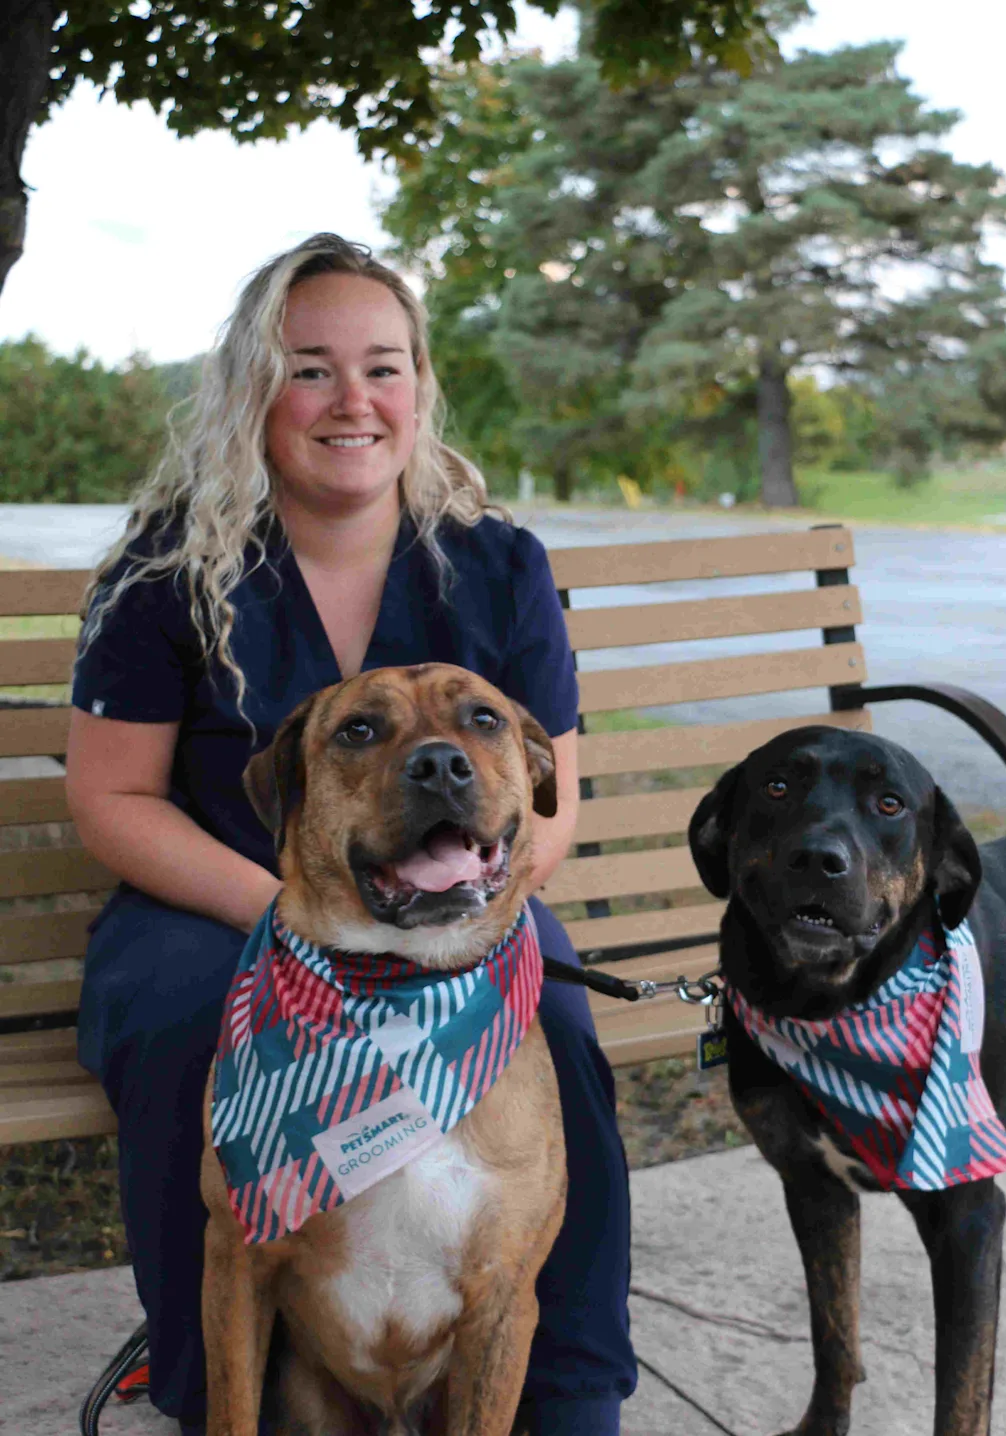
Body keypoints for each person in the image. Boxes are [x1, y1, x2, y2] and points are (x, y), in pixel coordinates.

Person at [66, 233, 636, 1436]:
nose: (351, 400)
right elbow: (114, 799)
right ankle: (222, 1390)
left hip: (459, 904)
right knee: (192, 1023)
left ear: (420, 385)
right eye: (310, 367)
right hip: (217, 900)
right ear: (254, 389)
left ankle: (567, 1388)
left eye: (382, 366)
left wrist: (464, 907)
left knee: (563, 1024)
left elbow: (550, 792)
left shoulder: (495, 560)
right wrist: (295, 923)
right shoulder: (168, 568)